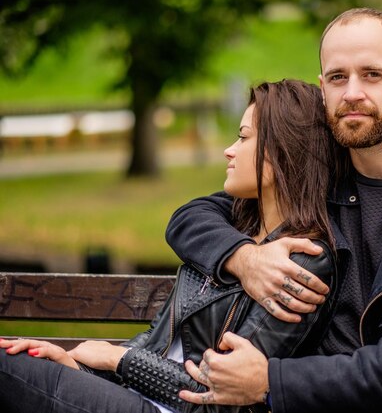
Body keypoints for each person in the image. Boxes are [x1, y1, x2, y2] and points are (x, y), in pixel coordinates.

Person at [165, 7, 382, 413]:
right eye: (338, 77)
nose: (352, 92)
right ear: (323, 89)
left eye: (372, 74)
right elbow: (192, 217)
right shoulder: (318, 173)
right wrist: (245, 259)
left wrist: (270, 382)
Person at [0, 79, 338, 413]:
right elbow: (158, 341)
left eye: (244, 137)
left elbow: (217, 399)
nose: (229, 149)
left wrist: (117, 357)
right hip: (137, 395)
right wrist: (79, 368)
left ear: (281, 151)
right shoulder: (232, 229)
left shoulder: (302, 263)